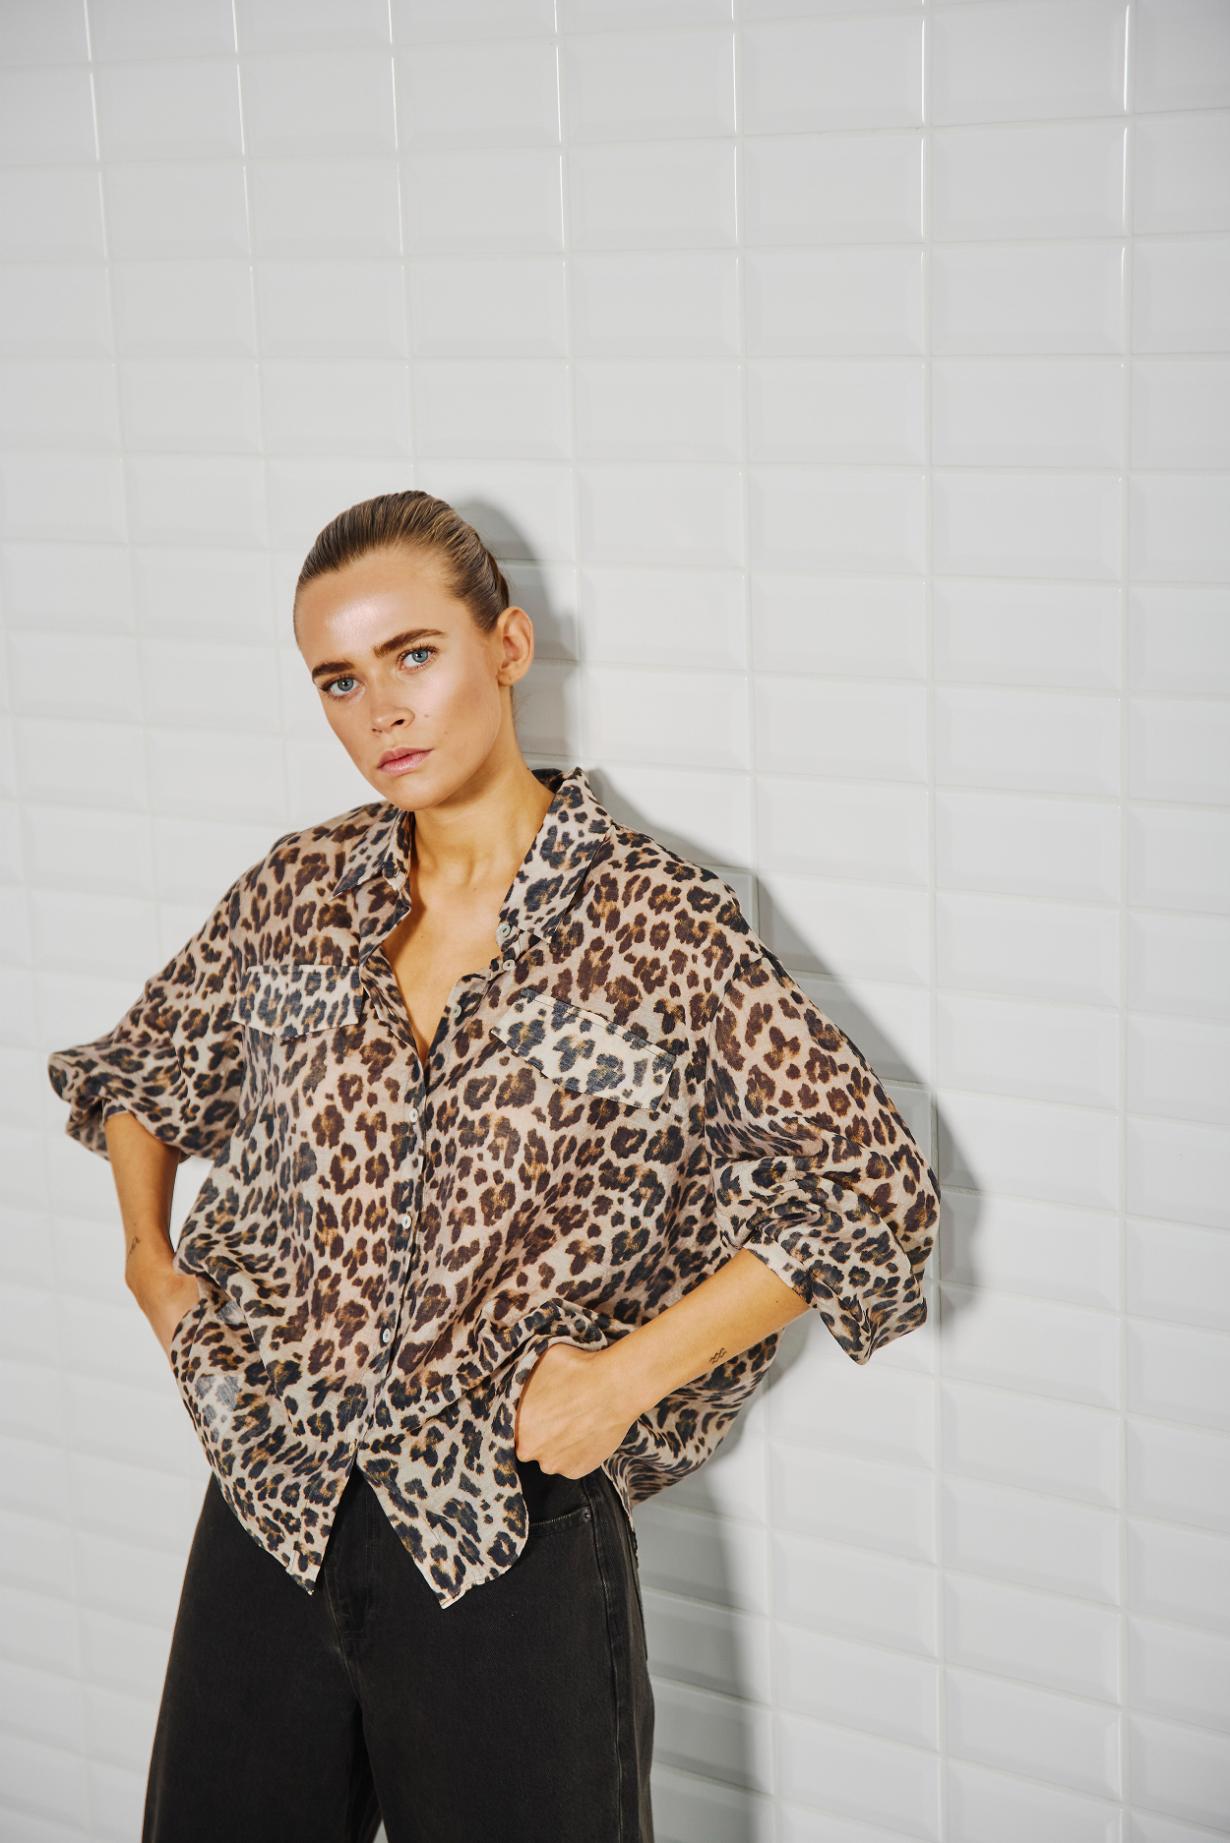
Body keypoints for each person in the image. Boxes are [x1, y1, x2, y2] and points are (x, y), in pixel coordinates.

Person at [47, 489, 941, 1843]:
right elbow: (143, 1069)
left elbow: (870, 1193)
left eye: (413, 655)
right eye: (338, 680)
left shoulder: (657, 926)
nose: (380, 711)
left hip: (505, 1533)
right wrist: (149, 1267)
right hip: (271, 1497)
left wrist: (624, 1379)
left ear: (507, 647)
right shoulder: (297, 892)